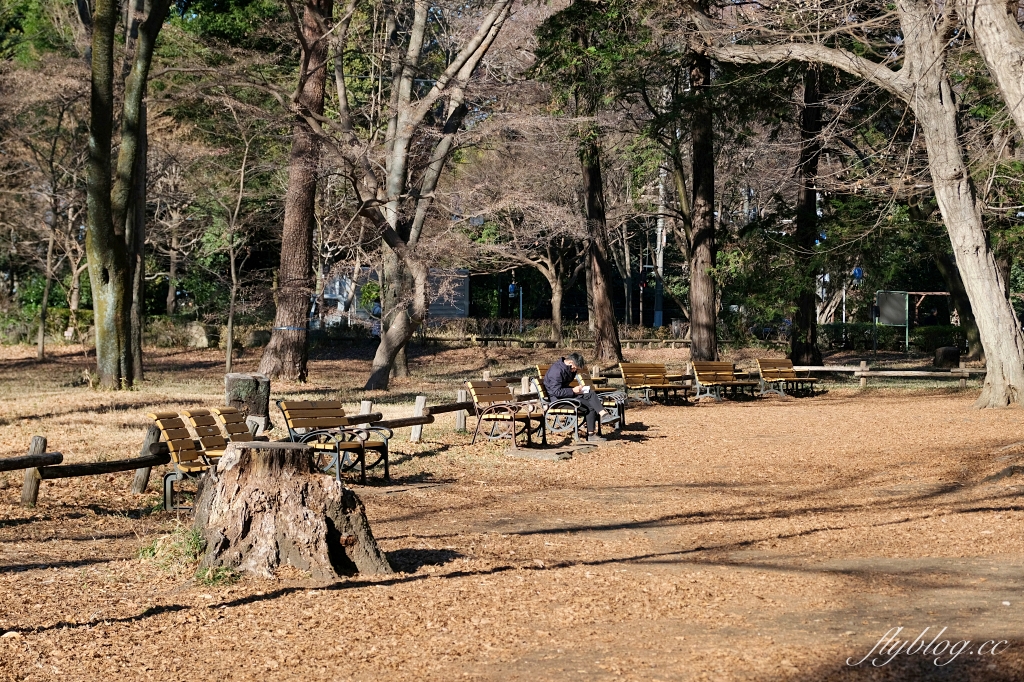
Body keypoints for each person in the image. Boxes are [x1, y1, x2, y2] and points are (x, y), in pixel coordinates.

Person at [543, 353, 613, 442]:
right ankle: (591, 435)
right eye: (575, 368)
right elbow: (556, 392)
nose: (575, 370)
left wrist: (578, 389)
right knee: (590, 406)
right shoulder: (556, 371)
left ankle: (604, 414)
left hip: (565, 396)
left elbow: (562, 387)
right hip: (558, 401)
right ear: (570, 362)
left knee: (590, 393)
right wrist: (573, 391)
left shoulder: (566, 368)